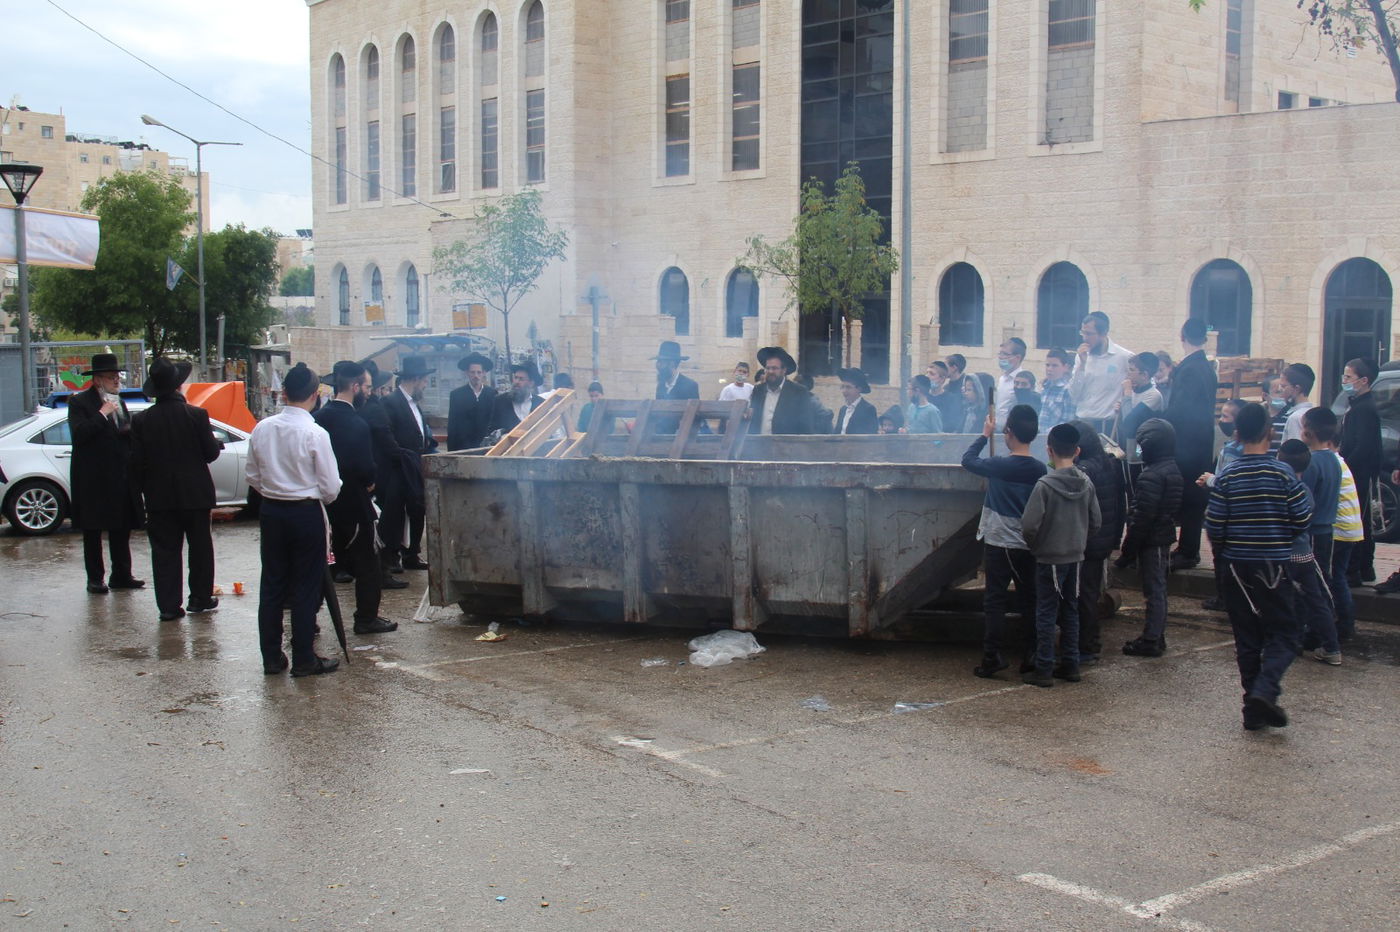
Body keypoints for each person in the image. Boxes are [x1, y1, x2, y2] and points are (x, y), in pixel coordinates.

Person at [1205, 402, 1312, 731]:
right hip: (1272, 564)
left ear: (1236, 434)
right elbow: (1303, 517)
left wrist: (1223, 560)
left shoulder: (1228, 476)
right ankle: (1264, 692)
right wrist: (1280, 536)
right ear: (1271, 433)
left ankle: (1253, 706)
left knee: (1247, 637)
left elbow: (1215, 524)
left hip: (1236, 565)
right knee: (1286, 633)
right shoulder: (1282, 474)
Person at [245, 362, 343, 677]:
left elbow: (253, 475)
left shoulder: (263, 428)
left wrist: (274, 490)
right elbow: (330, 487)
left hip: (272, 510)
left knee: (272, 583)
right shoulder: (315, 432)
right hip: (304, 511)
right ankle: (304, 658)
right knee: (304, 585)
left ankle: (272, 657)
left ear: (284, 393)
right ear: (315, 395)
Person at [130, 358, 221, 622]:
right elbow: (211, 453)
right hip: (196, 495)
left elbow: (136, 463)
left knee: (165, 552)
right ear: (179, 386)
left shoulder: (142, 421)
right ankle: (200, 598)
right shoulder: (196, 415)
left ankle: (169, 606)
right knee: (200, 548)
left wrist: (140, 496)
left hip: (160, 498)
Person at [963, 404, 1047, 679]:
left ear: (1007, 432)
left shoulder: (999, 465)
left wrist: (985, 434)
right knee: (1030, 599)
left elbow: (968, 460)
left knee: (995, 599)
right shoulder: (1040, 469)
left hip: (1000, 541)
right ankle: (1032, 655)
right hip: (1029, 542)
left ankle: (992, 657)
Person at [315, 361, 397, 636]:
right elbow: (365, 468)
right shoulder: (356, 423)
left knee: (321, 562)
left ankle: (310, 619)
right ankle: (366, 617)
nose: (369, 392)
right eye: (366, 386)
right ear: (354, 387)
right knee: (368, 563)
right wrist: (370, 480)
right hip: (353, 500)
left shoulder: (320, 417)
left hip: (323, 503)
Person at [1021, 423, 1100, 687]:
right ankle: (1071, 665)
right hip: (1075, 557)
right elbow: (1096, 521)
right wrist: (1079, 541)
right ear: (1077, 451)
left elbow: (1029, 525)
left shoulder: (1044, 485)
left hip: (1049, 558)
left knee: (1046, 612)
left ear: (1049, 450)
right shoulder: (1086, 483)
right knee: (1071, 611)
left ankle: (1043, 669)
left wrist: (1037, 546)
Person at [68, 353, 145, 595]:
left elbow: (121, 433)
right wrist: (102, 413)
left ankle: (121, 574)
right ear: (98, 380)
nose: (116, 381)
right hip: (93, 478)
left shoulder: (119, 402)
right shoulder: (80, 402)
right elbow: (80, 434)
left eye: (117, 377)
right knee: (93, 530)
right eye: (111, 378)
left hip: (119, 476)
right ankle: (95, 579)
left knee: (121, 528)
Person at [1116, 418, 1183, 657]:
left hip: (1151, 540)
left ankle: (1152, 638)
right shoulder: (1171, 468)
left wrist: (1127, 552)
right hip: (1162, 536)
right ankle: (1157, 634)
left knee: (1154, 589)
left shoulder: (1152, 476)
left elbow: (1142, 518)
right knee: (1157, 588)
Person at [1285, 426, 1342, 665]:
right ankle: (1330, 646)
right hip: (1306, 551)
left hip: (1289, 553)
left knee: (1282, 600)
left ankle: (1285, 643)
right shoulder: (1332, 461)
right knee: (1314, 598)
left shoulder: (1290, 489)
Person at [1165, 319, 1218, 570]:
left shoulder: (1189, 369)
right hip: (1201, 442)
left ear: (1182, 335)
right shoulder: (1206, 367)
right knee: (1193, 496)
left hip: (1187, 443)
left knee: (1190, 497)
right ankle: (1187, 547)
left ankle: (1188, 550)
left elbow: (1180, 411)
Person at [1071, 419, 1124, 666]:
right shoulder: (1108, 463)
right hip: (1102, 539)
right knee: (1090, 593)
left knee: (1084, 595)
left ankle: (1087, 645)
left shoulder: (1084, 471)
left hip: (1088, 541)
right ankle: (1088, 642)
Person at [382, 356, 439, 574]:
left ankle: (412, 553)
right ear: (415, 379)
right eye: (424, 381)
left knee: (418, 509)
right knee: (396, 514)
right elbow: (387, 436)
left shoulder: (415, 403)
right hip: (400, 467)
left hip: (417, 465)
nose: (425, 385)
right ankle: (392, 555)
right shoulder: (391, 402)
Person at [357, 361, 408, 591]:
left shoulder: (362, 407)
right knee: (388, 524)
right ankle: (384, 570)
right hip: (383, 474)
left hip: (372, 473)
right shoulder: (375, 408)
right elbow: (386, 440)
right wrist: (404, 458)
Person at [1197, 398, 1246, 613]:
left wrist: (1211, 480)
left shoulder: (1239, 451)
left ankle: (1226, 598)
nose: (1222, 421)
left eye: (1226, 417)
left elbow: (1232, 482)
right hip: (1222, 508)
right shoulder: (1230, 447)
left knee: (1225, 559)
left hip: (1230, 513)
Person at [1338, 358, 1381, 585]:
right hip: (1356, 471)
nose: (1344, 381)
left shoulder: (1365, 408)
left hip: (1359, 473)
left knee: (1359, 521)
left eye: (1348, 377)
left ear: (1364, 381)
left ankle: (1356, 569)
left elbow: (1363, 446)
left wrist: (1344, 465)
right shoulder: (1356, 405)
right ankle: (1364, 568)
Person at [1070, 311, 1135, 435]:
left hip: (1108, 424)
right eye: (1083, 333)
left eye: (1089, 334)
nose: (1085, 338)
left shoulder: (1123, 356)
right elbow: (1073, 394)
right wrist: (1082, 366)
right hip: (1083, 421)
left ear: (1103, 333)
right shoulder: (1081, 357)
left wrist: (1126, 403)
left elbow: (1142, 381)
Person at [748, 346, 816, 435]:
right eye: (768, 368)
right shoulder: (758, 390)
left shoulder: (799, 392)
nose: (770, 371)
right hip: (760, 446)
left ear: (784, 370)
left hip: (787, 447)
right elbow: (753, 421)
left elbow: (806, 427)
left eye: (774, 368)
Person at [1117, 351, 1164, 465]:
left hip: (1141, 454)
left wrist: (1127, 394)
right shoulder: (1133, 391)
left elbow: (1129, 422)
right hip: (1125, 449)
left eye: (1132, 370)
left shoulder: (1153, 395)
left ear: (1144, 375)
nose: (1129, 374)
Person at [446, 353, 497, 451]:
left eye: (479, 372)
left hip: (486, 447)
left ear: (484, 373)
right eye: (472, 372)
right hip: (463, 447)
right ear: (467, 373)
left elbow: (495, 422)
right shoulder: (457, 395)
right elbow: (452, 425)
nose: (476, 376)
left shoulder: (492, 394)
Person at [490, 362, 546, 434]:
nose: (516, 382)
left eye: (521, 379)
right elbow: (491, 431)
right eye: (515, 377)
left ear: (531, 383)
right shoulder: (499, 401)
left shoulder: (541, 404)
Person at [994, 338, 1032, 430]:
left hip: (1011, 432)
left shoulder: (1022, 383)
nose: (1001, 357)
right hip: (997, 431)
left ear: (1017, 357)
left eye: (1005, 354)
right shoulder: (1002, 379)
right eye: (1000, 353)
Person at [833, 368, 879, 434]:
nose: (844, 391)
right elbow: (837, 433)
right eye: (842, 387)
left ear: (859, 389)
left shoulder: (868, 409)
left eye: (848, 387)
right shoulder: (843, 409)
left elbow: (870, 436)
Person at [1279, 363, 1316, 443]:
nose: (1280, 390)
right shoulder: (1314, 414)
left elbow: (1294, 451)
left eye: (1283, 386)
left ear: (1297, 388)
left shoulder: (1295, 418)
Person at [1040, 349, 1076, 429]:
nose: (1049, 369)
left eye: (1054, 365)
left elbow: (1068, 421)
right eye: (1047, 365)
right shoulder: (1045, 387)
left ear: (1065, 367)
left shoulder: (1068, 390)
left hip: (1056, 437)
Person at [927, 360, 964, 430]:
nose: (927, 376)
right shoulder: (923, 397)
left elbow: (952, 424)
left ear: (942, 379)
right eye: (927, 373)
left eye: (932, 374)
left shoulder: (952, 399)